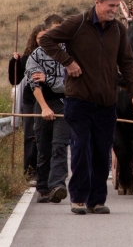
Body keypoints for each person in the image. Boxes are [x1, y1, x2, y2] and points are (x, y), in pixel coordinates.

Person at [40, 0, 133, 215]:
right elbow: (46, 40)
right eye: (110, 5)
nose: (114, 10)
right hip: (79, 100)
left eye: (117, 6)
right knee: (81, 148)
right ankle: (78, 198)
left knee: (102, 151)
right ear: (97, 2)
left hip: (107, 101)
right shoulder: (77, 24)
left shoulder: (118, 30)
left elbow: (127, 62)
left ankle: (96, 201)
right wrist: (67, 61)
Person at [27, 17, 70, 204]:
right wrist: (44, 107)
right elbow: (34, 82)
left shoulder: (71, 52)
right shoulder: (36, 55)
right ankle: (43, 187)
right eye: (54, 31)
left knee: (59, 146)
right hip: (42, 102)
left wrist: (49, 79)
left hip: (65, 103)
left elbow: (69, 84)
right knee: (43, 147)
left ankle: (57, 186)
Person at [8, 24, 44, 184]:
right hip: (30, 101)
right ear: (34, 39)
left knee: (48, 138)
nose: (42, 41)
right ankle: (30, 172)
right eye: (39, 38)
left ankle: (46, 172)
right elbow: (14, 80)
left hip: (50, 101)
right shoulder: (27, 58)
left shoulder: (55, 55)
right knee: (31, 136)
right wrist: (14, 63)